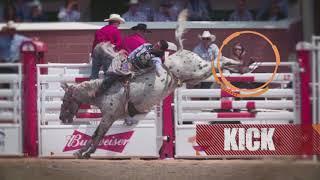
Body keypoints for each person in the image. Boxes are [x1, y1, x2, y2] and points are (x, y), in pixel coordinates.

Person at [97, 40, 169, 94]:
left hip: (136, 71)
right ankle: (102, 89)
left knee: (127, 83)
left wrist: (162, 74)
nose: (155, 45)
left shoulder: (156, 58)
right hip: (128, 63)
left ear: (160, 50)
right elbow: (136, 51)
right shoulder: (147, 45)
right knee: (116, 73)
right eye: (157, 43)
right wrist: (128, 59)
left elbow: (158, 67)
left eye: (158, 46)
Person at [90, 14, 126, 79]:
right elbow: (119, 43)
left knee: (94, 73)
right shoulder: (115, 30)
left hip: (96, 50)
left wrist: (92, 54)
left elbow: (95, 43)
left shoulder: (100, 30)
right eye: (119, 23)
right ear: (115, 22)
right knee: (108, 73)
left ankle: (91, 86)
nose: (119, 25)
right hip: (106, 50)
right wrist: (120, 52)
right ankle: (106, 88)